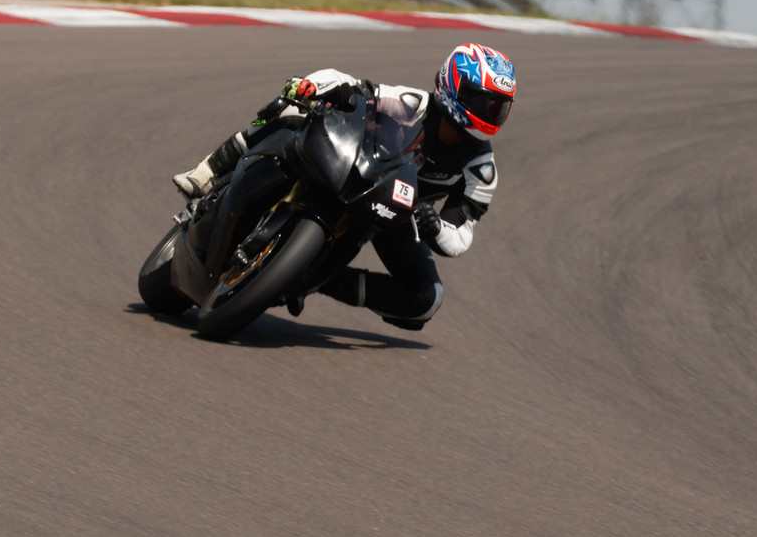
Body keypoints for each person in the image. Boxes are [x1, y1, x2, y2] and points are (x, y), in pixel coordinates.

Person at [173, 43, 516, 330]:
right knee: (290, 110)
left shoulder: (481, 168)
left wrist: (436, 227)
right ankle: (208, 170)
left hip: (395, 218)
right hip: (355, 170)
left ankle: (312, 280)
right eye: (483, 101)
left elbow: (461, 234)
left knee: (426, 299)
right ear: (454, 85)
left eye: (499, 107)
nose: (491, 113)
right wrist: (312, 87)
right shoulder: (413, 103)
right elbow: (351, 86)